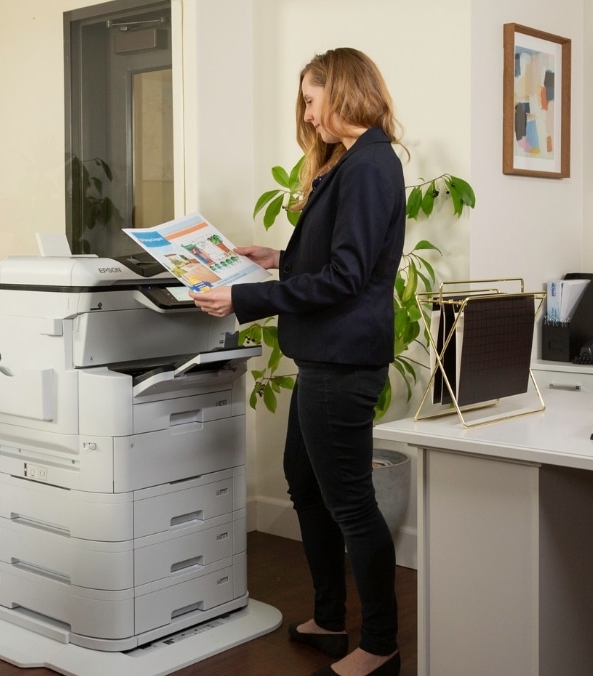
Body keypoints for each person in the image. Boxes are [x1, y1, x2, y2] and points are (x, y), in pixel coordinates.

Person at [188, 47, 403, 676]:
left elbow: (346, 278)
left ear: (340, 94)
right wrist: (279, 258)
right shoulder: (352, 163)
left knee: (351, 504)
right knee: (307, 487)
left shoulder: (369, 164)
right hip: (323, 359)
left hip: (343, 361)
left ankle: (381, 644)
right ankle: (331, 620)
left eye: (311, 99)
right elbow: (342, 258)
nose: (306, 116)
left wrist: (241, 297)